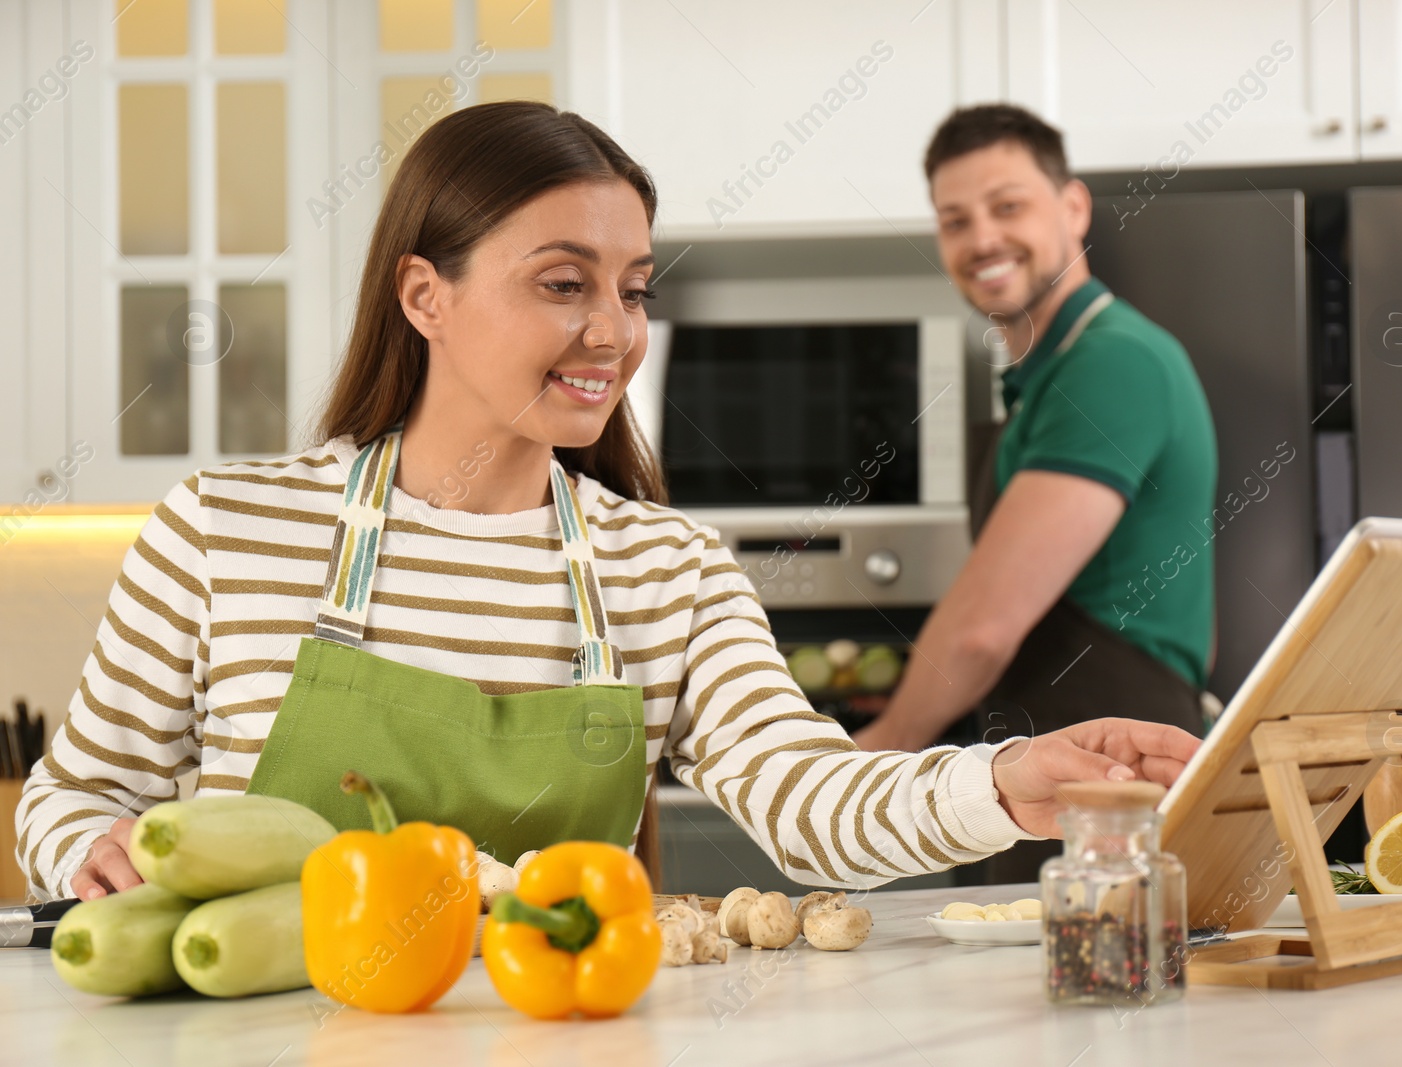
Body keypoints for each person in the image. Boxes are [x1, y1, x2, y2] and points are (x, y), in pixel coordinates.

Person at [15, 102, 1200, 904]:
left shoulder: (664, 569)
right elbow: (72, 795)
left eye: (632, 289)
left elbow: (806, 796)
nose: (613, 334)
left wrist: (1000, 781)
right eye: (562, 284)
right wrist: (90, 850)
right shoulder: (224, 530)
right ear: (425, 295)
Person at [852, 105, 1217, 881]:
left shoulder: (1111, 365)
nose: (981, 238)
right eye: (955, 219)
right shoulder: (1041, 381)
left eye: (1007, 206)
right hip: (1044, 774)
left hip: (1104, 786)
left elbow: (984, 627)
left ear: (1073, 207)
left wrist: (872, 757)